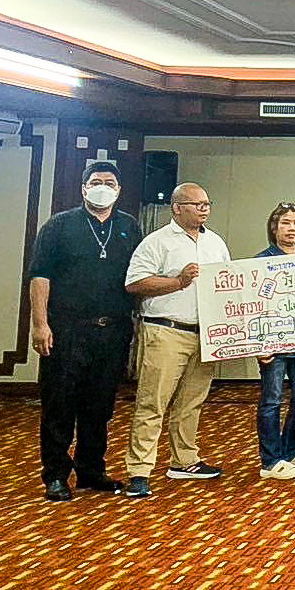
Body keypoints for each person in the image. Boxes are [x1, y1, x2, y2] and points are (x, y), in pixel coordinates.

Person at [28, 159, 143, 501]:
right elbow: (40, 276)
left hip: (113, 330)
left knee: (100, 406)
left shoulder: (129, 226)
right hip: (67, 330)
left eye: (109, 183)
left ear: (119, 190)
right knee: (60, 404)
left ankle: (91, 470)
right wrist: (40, 324)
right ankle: (55, 475)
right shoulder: (59, 225)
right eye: (95, 182)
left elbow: (140, 276)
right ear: (83, 188)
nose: (102, 187)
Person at [121, 182, 231, 498]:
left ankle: (184, 461)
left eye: (207, 203)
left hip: (205, 334)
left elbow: (227, 285)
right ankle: (139, 471)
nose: (204, 209)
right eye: (197, 204)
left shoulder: (216, 243)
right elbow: (135, 283)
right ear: (177, 208)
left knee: (191, 402)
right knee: (152, 402)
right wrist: (178, 282)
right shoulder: (157, 242)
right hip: (165, 331)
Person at [254, 202, 295, 480]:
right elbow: (254, 305)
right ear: (274, 227)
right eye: (285, 223)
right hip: (274, 345)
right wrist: (257, 346)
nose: (292, 228)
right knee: (271, 400)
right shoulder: (261, 261)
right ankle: (270, 460)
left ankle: (291, 450)